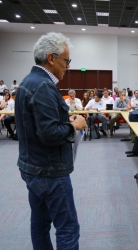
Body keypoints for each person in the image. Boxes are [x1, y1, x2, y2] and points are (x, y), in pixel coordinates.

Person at [15, 32, 87, 249]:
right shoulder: (44, 85)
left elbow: (36, 123)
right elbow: (49, 134)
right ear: (51, 58)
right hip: (49, 170)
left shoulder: (29, 81)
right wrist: (73, 125)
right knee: (67, 228)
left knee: (40, 224)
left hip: (32, 166)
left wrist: (64, 118)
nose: (68, 66)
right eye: (66, 60)